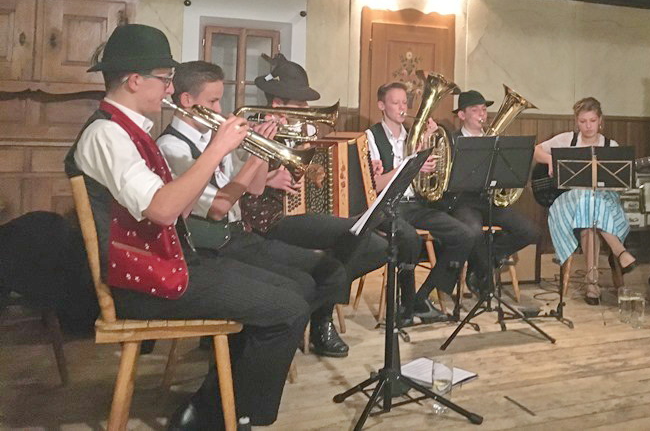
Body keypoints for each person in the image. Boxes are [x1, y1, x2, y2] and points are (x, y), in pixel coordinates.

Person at [64, 24, 305, 429]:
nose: (169, 89)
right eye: (164, 79)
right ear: (135, 80)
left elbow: (179, 209)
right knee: (288, 309)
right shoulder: (107, 134)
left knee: (292, 291)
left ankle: (215, 406)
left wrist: (222, 152)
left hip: (168, 261)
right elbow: (161, 212)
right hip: (141, 283)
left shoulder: (132, 132)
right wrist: (217, 149)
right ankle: (225, 414)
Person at [157, 61, 349, 357]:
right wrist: (249, 154)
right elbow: (219, 207)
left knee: (321, 273)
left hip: (237, 235)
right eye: (213, 101)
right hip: (213, 244)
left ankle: (262, 349)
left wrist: (260, 147)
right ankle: (246, 356)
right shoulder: (172, 147)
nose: (220, 110)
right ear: (186, 100)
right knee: (296, 287)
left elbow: (255, 187)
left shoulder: (211, 138)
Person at [240, 56, 430, 325]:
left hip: (304, 211)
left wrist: (365, 169)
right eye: (300, 103)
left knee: (375, 246)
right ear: (278, 104)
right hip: (269, 219)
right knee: (354, 237)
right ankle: (319, 317)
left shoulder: (304, 131)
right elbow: (237, 184)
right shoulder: (251, 130)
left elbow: (320, 174)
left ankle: (318, 307)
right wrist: (269, 178)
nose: (307, 109)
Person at [366, 81, 478, 321]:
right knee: (410, 238)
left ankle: (422, 297)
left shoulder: (412, 136)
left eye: (404, 103)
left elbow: (422, 179)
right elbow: (375, 184)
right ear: (381, 106)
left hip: (415, 204)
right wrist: (411, 165)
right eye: (395, 103)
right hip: (386, 206)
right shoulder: (371, 137)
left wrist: (427, 151)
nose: (402, 108)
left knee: (465, 234)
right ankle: (405, 305)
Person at [533, 97, 635, 305]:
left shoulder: (611, 146)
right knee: (586, 198)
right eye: (583, 121)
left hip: (604, 202)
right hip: (570, 201)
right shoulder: (567, 139)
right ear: (576, 122)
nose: (588, 126)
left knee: (590, 217)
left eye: (592, 121)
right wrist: (551, 159)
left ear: (600, 121)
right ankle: (620, 251)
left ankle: (592, 284)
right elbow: (535, 151)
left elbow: (619, 182)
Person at [447, 90, 540, 295]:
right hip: (463, 201)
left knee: (530, 231)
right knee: (473, 231)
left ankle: (484, 261)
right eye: (475, 110)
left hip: (490, 201)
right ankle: (483, 269)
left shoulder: (496, 141)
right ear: (461, 115)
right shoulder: (452, 141)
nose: (482, 114)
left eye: (483, 109)